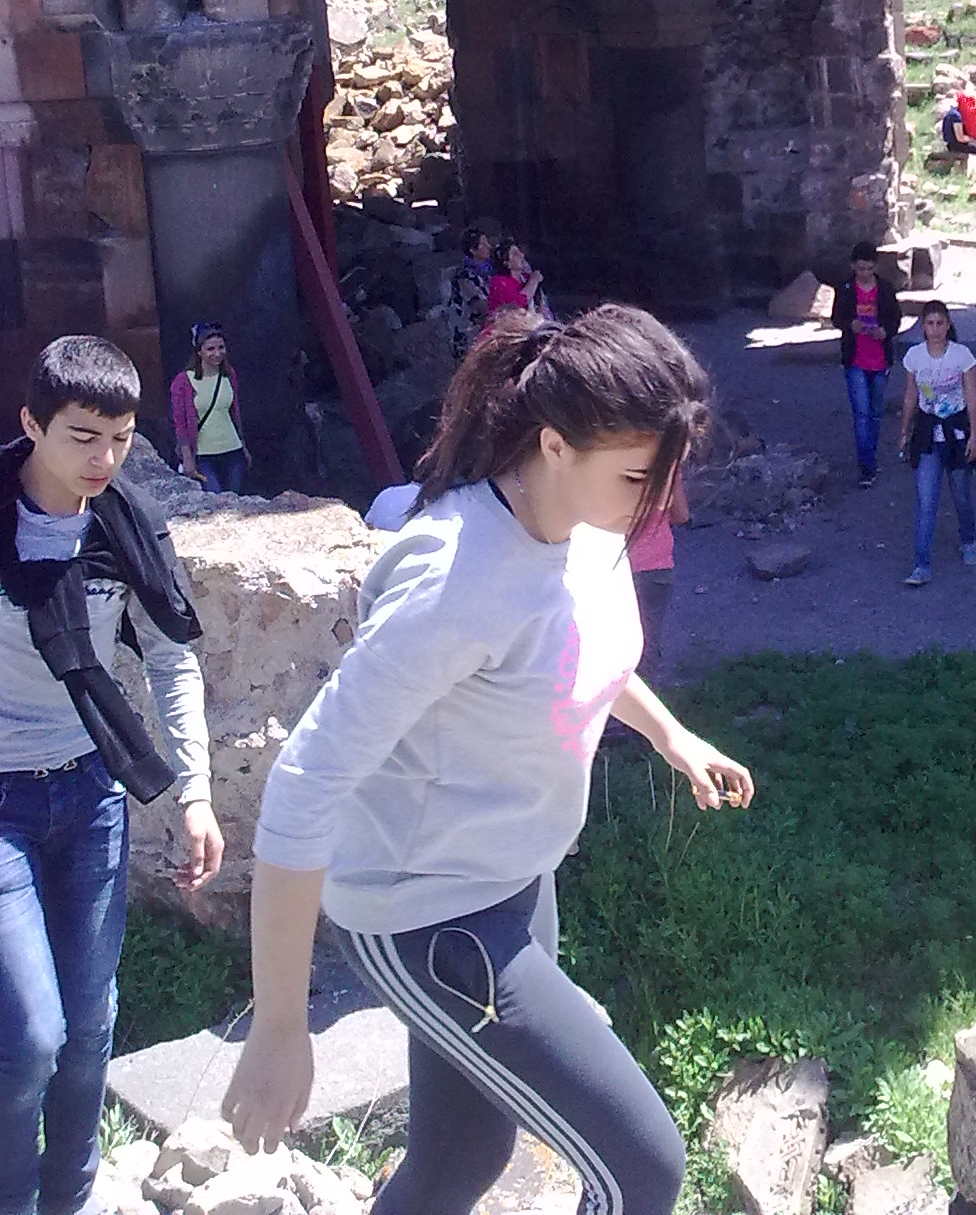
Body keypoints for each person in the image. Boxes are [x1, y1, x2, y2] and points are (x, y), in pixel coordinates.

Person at [220, 306, 755, 1215]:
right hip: (425, 913)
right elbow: (306, 786)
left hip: (515, 880)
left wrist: (672, 736)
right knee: (641, 1170)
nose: (659, 503)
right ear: (554, 444)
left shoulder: (588, 528)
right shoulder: (455, 580)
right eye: (638, 476)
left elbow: (570, 651)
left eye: (665, 476)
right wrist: (279, 1026)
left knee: (460, 1161)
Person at [1, 335, 223, 1215]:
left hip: (91, 790)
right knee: (33, 1036)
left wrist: (196, 793)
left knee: (90, 1026)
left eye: (122, 439)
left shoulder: (126, 525)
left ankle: (73, 1197)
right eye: (83, 436)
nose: (104, 459)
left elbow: (171, 657)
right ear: (32, 424)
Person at [897, 301, 976, 585]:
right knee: (926, 500)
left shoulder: (962, 356)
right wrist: (904, 431)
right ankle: (921, 564)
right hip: (928, 432)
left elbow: (972, 397)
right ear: (923, 326)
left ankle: (968, 539)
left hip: (956, 430)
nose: (935, 330)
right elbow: (910, 396)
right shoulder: (914, 357)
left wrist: (975, 435)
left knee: (961, 494)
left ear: (948, 325)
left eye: (939, 323)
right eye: (930, 324)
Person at [830, 241, 903, 487]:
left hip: (880, 358)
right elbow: (836, 317)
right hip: (855, 359)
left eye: (869, 268)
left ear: (875, 267)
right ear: (853, 266)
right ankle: (867, 466)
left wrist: (886, 331)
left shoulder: (885, 289)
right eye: (861, 268)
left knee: (875, 412)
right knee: (861, 413)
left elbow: (895, 318)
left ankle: (869, 453)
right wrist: (850, 324)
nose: (864, 273)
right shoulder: (846, 288)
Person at [170, 322, 248, 493]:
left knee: (234, 499)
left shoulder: (229, 375)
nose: (217, 353)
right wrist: (187, 457)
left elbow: (234, 413)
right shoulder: (184, 381)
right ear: (199, 352)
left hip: (232, 450)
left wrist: (243, 446)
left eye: (221, 348)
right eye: (210, 349)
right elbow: (180, 423)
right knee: (214, 496)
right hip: (203, 454)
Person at [628, 473, 687, 689]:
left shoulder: (607, 464)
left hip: (614, 564)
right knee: (647, 645)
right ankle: (645, 703)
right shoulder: (667, 465)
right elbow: (681, 515)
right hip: (655, 567)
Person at [447, 226, 494, 360]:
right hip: (469, 335)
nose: (489, 247)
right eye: (483, 244)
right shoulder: (464, 276)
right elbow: (481, 306)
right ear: (473, 250)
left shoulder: (490, 270)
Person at [486, 238, 552, 325]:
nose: (522, 255)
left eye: (520, 252)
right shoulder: (499, 283)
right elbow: (518, 304)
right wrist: (534, 280)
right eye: (515, 254)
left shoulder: (526, 278)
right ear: (506, 263)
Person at [939, 91, 976, 185]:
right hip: (955, 145)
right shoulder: (956, 116)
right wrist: (972, 139)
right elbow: (960, 138)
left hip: (954, 143)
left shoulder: (953, 112)